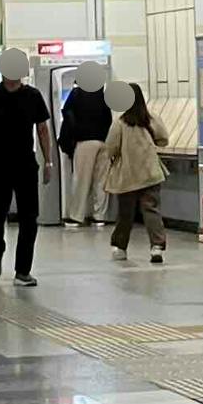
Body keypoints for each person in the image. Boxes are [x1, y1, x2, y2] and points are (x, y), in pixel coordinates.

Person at [0, 47, 50, 284]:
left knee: (29, 218)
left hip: (25, 165)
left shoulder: (32, 96)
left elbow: (43, 130)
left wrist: (49, 162)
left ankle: (22, 271)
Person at [100, 79, 170, 265]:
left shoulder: (120, 123)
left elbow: (110, 148)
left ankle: (120, 247)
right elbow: (163, 139)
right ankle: (157, 247)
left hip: (127, 176)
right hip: (150, 173)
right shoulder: (151, 118)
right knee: (152, 210)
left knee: (125, 213)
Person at [57, 60, 112, 226]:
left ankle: (76, 216)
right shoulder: (103, 94)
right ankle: (100, 217)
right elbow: (108, 119)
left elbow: (67, 113)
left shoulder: (77, 94)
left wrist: (72, 136)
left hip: (85, 142)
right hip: (103, 142)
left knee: (81, 180)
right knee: (101, 182)